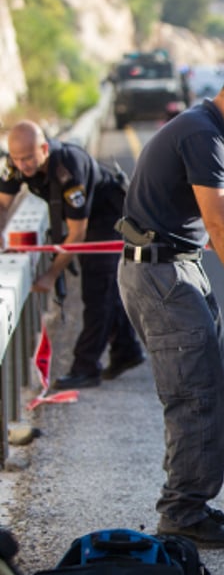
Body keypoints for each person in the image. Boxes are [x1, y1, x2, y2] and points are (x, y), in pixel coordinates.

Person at [116, 59, 224, 549]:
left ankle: (194, 502)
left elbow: (209, 228)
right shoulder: (201, 135)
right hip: (161, 273)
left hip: (175, 264)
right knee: (194, 395)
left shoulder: (206, 128)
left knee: (206, 388)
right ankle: (182, 512)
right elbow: (218, 223)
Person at [0, 122, 146, 389]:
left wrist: (50, 274)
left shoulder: (68, 168)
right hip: (84, 221)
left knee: (97, 290)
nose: (23, 166)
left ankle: (86, 367)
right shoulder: (15, 163)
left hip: (107, 217)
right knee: (104, 290)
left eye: (29, 158)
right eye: (18, 159)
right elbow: (2, 204)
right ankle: (126, 351)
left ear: (44, 149)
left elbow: (77, 234)